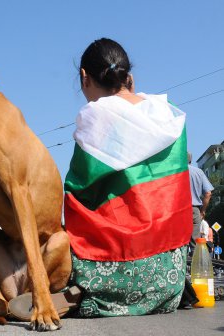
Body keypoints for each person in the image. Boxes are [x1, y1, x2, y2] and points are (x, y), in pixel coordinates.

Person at [63, 38, 192, 317]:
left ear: (84, 77)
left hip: (108, 276)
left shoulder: (95, 116)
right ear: (128, 77)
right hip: (168, 281)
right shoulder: (168, 116)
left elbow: (77, 191)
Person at [188, 152, 214, 253]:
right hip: (194, 210)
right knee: (195, 243)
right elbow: (208, 193)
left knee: (178, 242)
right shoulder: (198, 172)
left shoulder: (174, 171)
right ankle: (195, 267)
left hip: (178, 210)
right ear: (190, 160)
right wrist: (202, 211)